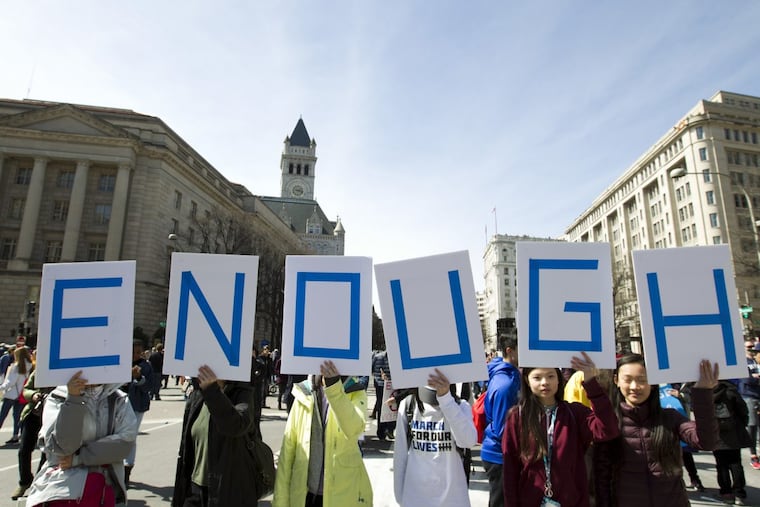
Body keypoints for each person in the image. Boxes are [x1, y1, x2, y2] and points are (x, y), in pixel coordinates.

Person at [594, 354, 719, 507]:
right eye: (628, 380)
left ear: (653, 383)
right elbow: (602, 476)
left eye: (642, 379)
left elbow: (707, 442)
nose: (634, 386)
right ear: (616, 381)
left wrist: (703, 393)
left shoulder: (671, 418)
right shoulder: (610, 424)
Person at [502, 352, 620, 507]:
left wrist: (590, 382)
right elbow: (510, 468)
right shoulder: (517, 416)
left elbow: (608, 430)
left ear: (559, 379)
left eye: (551, 376)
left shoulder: (574, 413)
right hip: (530, 500)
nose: (545, 382)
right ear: (527, 380)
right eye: (537, 377)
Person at [25, 370, 137, 507]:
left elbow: (124, 445)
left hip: (106, 489)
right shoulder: (57, 397)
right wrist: (73, 399)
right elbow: (63, 447)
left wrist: (79, 458)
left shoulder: (119, 400)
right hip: (62, 491)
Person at [273, 360, 372, 507]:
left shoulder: (355, 390)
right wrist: (280, 502)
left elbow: (354, 429)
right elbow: (287, 453)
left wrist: (334, 387)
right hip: (304, 496)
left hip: (343, 497)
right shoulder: (303, 392)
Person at [172, 364, 262, 506]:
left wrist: (212, 389)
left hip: (229, 493)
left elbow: (235, 426)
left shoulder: (242, 394)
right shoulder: (197, 395)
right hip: (195, 490)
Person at [393, 368, 478, 506]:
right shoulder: (408, 406)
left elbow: (468, 441)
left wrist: (446, 399)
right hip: (416, 497)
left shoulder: (460, 406)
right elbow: (400, 455)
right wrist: (400, 496)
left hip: (453, 498)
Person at [481, 335, 520, 507]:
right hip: (500, 455)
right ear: (510, 351)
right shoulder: (505, 384)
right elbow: (503, 429)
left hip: (503, 454)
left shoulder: (510, 375)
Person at [12, 368, 53, 500]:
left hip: (52, 417)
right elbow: (26, 390)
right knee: (24, 450)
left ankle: (38, 482)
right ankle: (24, 482)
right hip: (32, 416)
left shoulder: (62, 373)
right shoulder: (39, 371)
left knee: (46, 453)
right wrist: (33, 395)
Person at [712, 379, 752, 505]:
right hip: (733, 431)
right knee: (736, 463)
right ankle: (739, 494)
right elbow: (743, 410)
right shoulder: (731, 390)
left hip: (715, 433)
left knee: (721, 464)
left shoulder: (706, 392)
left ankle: (726, 493)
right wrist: (741, 424)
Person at [123, 340, 152, 486]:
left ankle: (127, 468)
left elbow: (148, 386)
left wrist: (138, 378)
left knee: (131, 437)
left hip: (136, 406)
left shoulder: (145, 366)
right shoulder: (121, 364)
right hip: (118, 405)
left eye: (138, 352)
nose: (135, 355)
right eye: (133, 352)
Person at [0, 346, 33, 444]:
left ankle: (15, 436)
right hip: (21, 395)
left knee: (2, 415)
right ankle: (15, 435)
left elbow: (10, 382)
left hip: (11, 394)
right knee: (17, 416)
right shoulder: (29, 365)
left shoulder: (17, 366)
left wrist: (1, 387)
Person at [738, 340, 760, 470]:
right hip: (748, 395)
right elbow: (745, 378)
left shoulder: (756, 361)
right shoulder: (743, 362)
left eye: (754, 347)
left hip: (757, 394)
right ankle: (753, 455)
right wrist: (754, 377)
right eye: (749, 347)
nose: (752, 349)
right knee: (751, 426)